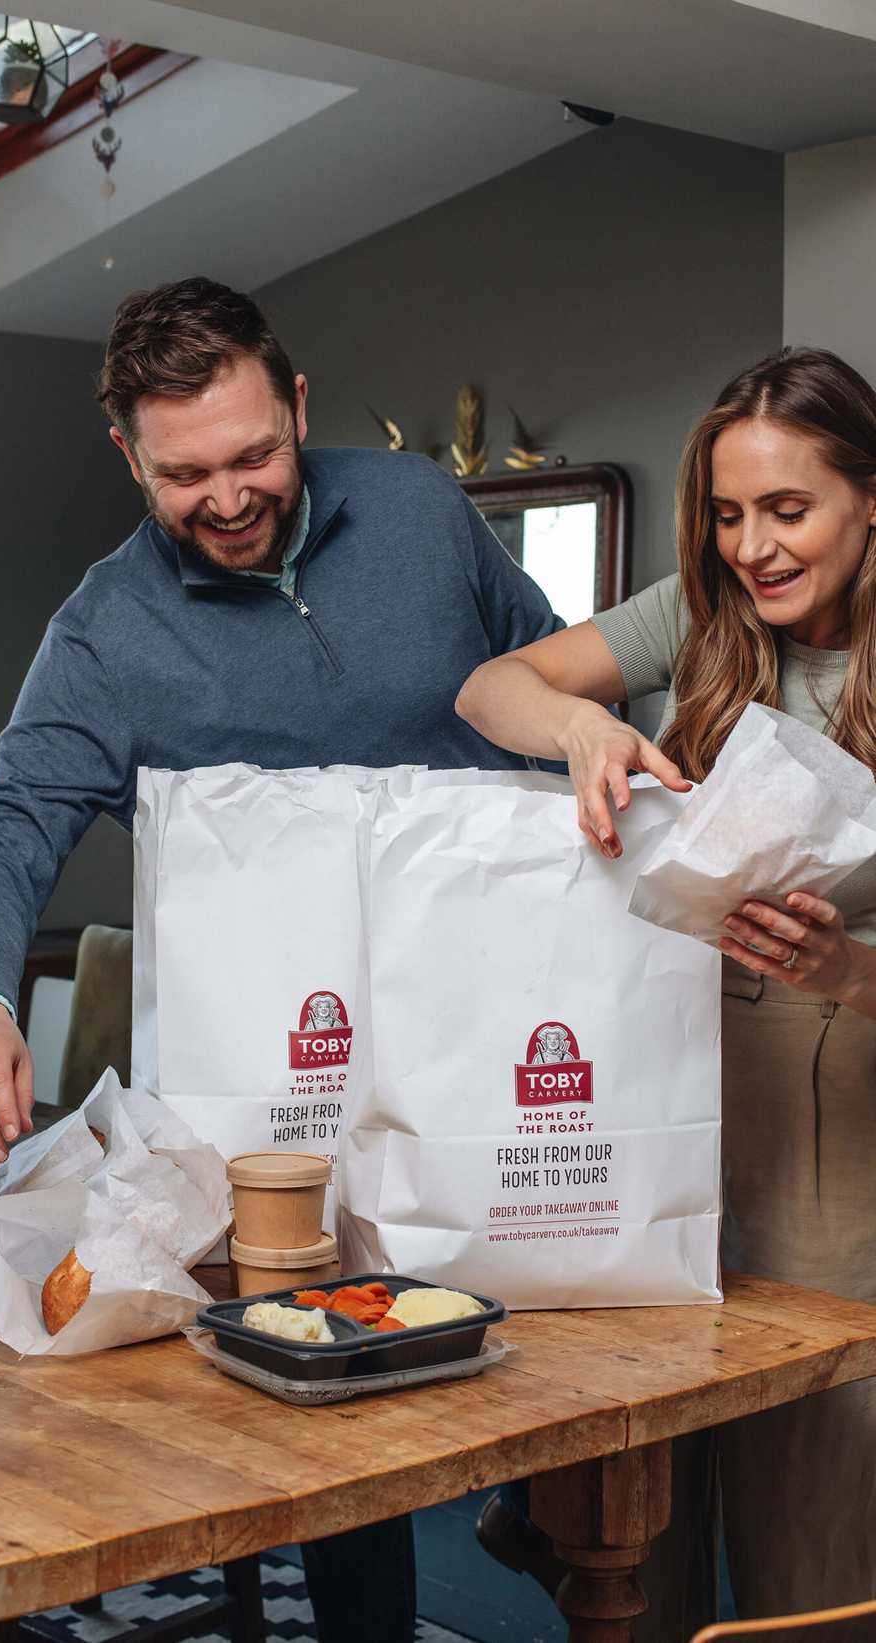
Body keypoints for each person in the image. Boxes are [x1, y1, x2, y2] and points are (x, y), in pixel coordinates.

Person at [0, 276, 564, 1643]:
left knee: (565, 1319)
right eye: (184, 474)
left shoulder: (420, 512)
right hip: (278, 1075)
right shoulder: (104, 632)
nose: (227, 497)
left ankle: (545, 1515)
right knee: (319, 1402)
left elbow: (554, 665)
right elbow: (10, 815)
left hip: (488, 1017)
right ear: (129, 454)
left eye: (253, 456)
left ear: (298, 405)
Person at [456, 346, 876, 1630]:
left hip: (842, 1121)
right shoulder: (699, 618)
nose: (751, 545)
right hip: (668, 1082)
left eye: (787, 510)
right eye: (728, 512)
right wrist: (580, 725)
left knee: (815, 1512)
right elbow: (488, 686)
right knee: (636, 1492)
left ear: (870, 496)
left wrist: (847, 967)